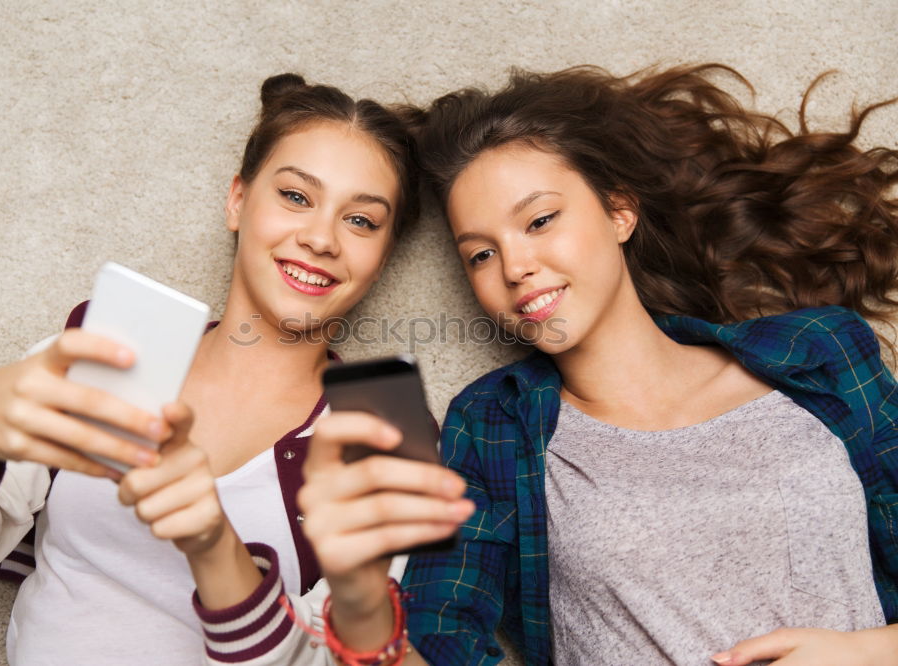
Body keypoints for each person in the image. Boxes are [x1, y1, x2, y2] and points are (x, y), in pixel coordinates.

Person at [298, 64, 898, 665]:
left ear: (619, 212)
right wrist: (360, 596)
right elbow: (438, 642)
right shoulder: (492, 426)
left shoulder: (818, 351)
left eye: (539, 221)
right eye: (481, 254)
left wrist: (868, 652)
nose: (514, 267)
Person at [0, 72, 432, 665]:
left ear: (381, 258)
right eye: (296, 196)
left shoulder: (385, 432)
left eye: (361, 221)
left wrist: (212, 546)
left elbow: (338, 656)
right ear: (237, 200)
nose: (320, 238)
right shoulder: (105, 351)